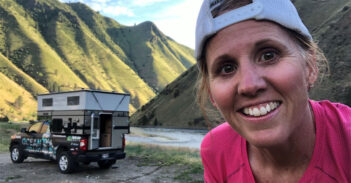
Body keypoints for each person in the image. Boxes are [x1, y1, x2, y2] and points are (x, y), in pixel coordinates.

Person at [195, 0, 351, 182]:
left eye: (269, 55)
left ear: (310, 66)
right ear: (211, 93)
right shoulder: (216, 151)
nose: (249, 85)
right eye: (227, 68)